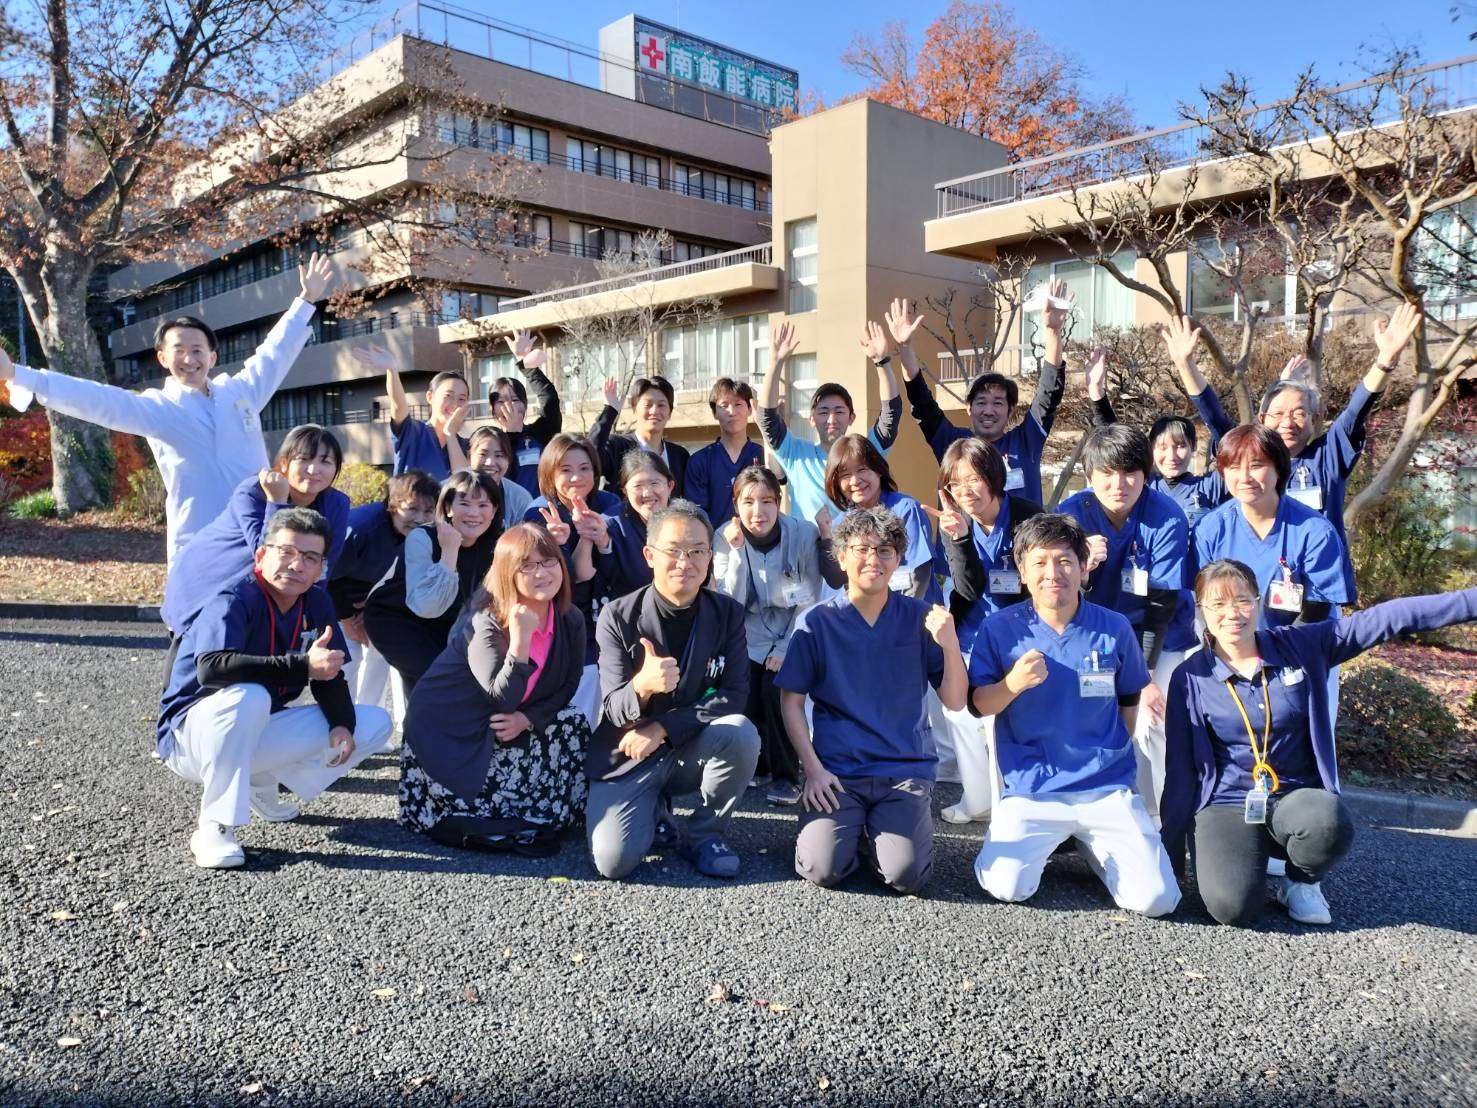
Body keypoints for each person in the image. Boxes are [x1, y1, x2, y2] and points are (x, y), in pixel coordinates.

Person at [1164, 561, 1477, 927]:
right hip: (1227, 803)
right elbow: (1180, 770)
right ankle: (1246, 857)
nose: (1232, 613)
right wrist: (1170, 853)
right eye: (1217, 604)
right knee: (1231, 908)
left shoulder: (1300, 645)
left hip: (1295, 795)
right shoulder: (1190, 677)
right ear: (1201, 610)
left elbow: (1388, 618)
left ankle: (1301, 881)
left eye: (1243, 601)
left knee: (1327, 821)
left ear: (1259, 602)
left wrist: (1469, 602)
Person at [0, 253, 336, 564]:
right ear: (162, 358)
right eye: (179, 350)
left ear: (212, 357)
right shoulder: (157, 408)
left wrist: (306, 300)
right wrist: (19, 375)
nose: (189, 359)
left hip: (260, 536)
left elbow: (274, 353)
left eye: (197, 350)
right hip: (199, 543)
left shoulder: (241, 392)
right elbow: (98, 400)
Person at [968, 513, 1179, 918]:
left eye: (1065, 561)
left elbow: (1128, 702)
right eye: (1040, 562)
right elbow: (979, 704)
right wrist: (1012, 684)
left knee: (1156, 900)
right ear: (1022, 572)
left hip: (1105, 788)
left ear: (1084, 568)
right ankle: (1054, 838)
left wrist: (1107, 757)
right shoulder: (1000, 629)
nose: (1053, 573)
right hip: (1033, 788)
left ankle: (1091, 844)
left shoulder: (1114, 627)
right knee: (1006, 887)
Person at [157, 508, 392, 868]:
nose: (297, 565)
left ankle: (259, 780)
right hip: (191, 737)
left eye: (310, 558)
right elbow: (211, 668)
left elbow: (329, 672)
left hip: (253, 725)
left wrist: (341, 724)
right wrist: (301, 665)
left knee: (373, 723)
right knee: (249, 695)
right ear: (261, 555)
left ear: (320, 568)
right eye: (287, 552)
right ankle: (214, 826)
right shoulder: (233, 598)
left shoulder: (316, 600)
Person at [1171, 303, 1422, 597]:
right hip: (1248, 597)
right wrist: (1185, 366)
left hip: (1315, 592)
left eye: (1299, 413)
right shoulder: (1246, 457)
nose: (1287, 422)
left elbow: (1355, 411)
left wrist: (1385, 361)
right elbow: (1213, 415)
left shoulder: (1327, 456)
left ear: (1315, 419)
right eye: (1277, 414)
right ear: (1262, 419)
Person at [777, 506, 967, 895]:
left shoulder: (920, 618)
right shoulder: (816, 622)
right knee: (822, 868)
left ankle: (878, 831)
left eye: (884, 551)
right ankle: (850, 831)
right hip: (838, 771)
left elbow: (954, 700)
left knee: (906, 876)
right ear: (841, 556)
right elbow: (791, 701)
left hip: (904, 770)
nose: (873, 560)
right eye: (861, 549)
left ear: (898, 559)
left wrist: (950, 646)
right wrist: (813, 770)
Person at [586, 501, 759, 881]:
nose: (686, 562)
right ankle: (654, 810)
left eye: (697, 551)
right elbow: (613, 707)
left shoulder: (727, 614)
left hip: (688, 745)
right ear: (650, 555)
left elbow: (734, 693)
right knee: (614, 862)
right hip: (629, 752)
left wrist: (664, 727)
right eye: (674, 550)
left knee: (741, 733)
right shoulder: (618, 616)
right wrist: (642, 686)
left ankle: (703, 834)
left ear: (710, 557)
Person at [398, 523, 592, 856]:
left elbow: (569, 684)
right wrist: (520, 640)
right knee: (502, 815)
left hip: (508, 722)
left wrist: (529, 719)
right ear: (507, 574)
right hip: (453, 729)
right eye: (526, 566)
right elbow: (502, 699)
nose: (541, 573)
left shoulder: (569, 618)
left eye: (549, 561)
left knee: (573, 721)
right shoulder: (485, 621)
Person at [1057, 422, 1193, 817]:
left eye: (1130, 472)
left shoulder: (1166, 517)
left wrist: (1143, 677)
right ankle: (1093, 809)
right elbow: (1056, 595)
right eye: (1107, 473)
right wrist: (1082, 567)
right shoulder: (1071, 515)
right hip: (1095, 635)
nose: (1119, 484)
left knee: (1154, 720)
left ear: (1146, 473)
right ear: (1089, 475)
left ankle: (1166, 817)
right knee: (1089, 715)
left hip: (1158, 635)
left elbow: (1162, 603)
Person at [928, 438, 1043, 824]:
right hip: (972, 633)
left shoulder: (1027, 516)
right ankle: (978, 801)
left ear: (994, 476)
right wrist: (960, 539)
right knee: (960, 715)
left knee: (1013, 716)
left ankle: (1022, 798)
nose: (965, 491)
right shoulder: (954, 521)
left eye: (974, 479)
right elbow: (968, 589)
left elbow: (1039, 585)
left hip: (1022, 634)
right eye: (956, 483)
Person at [161, 424, 349, 636]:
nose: (314, 470)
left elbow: (322, 566)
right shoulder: (254, 491)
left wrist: (307, 612)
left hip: (259, 600)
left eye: (325, 462)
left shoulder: (336, 504)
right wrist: (276, 501)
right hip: (206, 589)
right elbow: (265, 557)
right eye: (304, 459)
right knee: (209, 653)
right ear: (284, 463)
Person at [712, 466, 828, 807]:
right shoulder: (723, 536)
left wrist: (786, 646)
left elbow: (808, 599)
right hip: (746, 631)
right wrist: (735, 552)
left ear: (779, 502)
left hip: (793, 627)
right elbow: (730, 605)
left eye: (767, 501)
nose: (757, 511)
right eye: (748, 502)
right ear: (736, 504)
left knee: (777, 692)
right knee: (746, 696)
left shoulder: (803, 534)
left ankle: (787, 776)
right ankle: (758, 766)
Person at [887, 289, 1069, 506]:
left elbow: (1049, 393)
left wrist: (1053, 331)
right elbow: (921, 402)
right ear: (969, 408)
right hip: (962, 530)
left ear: (1010, 410)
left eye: (998, 403)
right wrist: (905, 348)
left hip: (1024, 530)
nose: (988, 411)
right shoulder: (953, 443)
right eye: (981, 403)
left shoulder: (1025, 441)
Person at [1193, 425, 1349, 631]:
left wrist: (1272, 647)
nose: (1245, 477)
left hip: (1301, 641)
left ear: (1279, 468)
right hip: (1231, 639)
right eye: (1234, 467)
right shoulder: (1209, 529)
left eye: (1256, 465)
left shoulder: (1315, 531)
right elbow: (1206, 601)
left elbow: (1317, 608)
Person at [363, 469, 502, 693]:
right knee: (435, 680)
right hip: (397, 618)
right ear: (447, 507)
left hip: (446, 623)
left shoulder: (497, 544)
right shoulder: (422, 537)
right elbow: (427, 606)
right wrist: (449, 552)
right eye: (464, 503)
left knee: (457, 681)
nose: (474, 513)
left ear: (494, 510)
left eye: (483, 505)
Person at [755, 319, 902, 524]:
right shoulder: (796, 454)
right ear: (812, 419)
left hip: (857, 543)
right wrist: (775, 362)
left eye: (839, 411)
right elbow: (767, 419)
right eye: (823, 412)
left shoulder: (866, 453)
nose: (831, 419)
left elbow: (891, 415)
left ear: (851, 417)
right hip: (806, 544)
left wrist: (881, 361)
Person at [523, 433, 622, 727]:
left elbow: (617, 568)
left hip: (607, 614)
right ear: (550, 474)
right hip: (563, 622)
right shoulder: (540, 512)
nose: (576, 477)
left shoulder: (610, 503)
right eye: (565, 470)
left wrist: (599, 538)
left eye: (584, 468)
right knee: (573, 705)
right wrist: (560, 545)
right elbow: (570, 578)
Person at [329, 470, 439, 730]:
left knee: (381, 650)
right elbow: (327, 577)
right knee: (348, 657)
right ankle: (340, 726)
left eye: (428, 511)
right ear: (392, 505)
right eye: (411, 509)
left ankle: (366, 722)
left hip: (370, 601)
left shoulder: (422, 534)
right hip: (333, 599)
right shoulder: (361, 529)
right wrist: (348, 619)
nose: (420, 518)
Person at [823, 434, 941, 604]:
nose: (855, 480)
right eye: (845, 474)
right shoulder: (840, 523)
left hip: (914, 611)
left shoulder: (906, 509)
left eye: (862, 470)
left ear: (878, 470)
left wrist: (896, 617)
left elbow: (918, 574)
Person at [353, 344, 470, 479]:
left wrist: (451, 435)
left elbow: (464, 484)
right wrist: (392, 370)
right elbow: (398, 405)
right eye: (448, 396)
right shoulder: (413, 432)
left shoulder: (466, 446)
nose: (455, 404)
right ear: (430, 397)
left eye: (462, 399)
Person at [595, 450, 679, 600]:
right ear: (625, 491)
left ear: (670, 486)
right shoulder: (611, 525)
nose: (647, 493)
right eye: (638, 486)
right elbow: (608, 578)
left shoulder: (690, 519)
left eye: (654, 483)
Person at [489, 330, 564, 497]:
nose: (509, 405)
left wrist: (527, 366)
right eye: (501, 401)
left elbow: (550, 399)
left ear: (525, 404)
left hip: (543, 507)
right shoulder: (488, 441)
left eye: (515, 399)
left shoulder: (540, 432)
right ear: (492, 408)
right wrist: (511, 434)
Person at [590, 375, 691, 497]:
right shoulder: (616, 447)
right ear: (634, 410)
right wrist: (609, 411)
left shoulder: (680, 456)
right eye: (648, 405)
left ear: (670, 413)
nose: (654, 411)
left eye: (661, 405)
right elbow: (589, 456)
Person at [684, 377, 763, 527]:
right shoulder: (700, 461)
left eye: (738, 404)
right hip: (714, 540)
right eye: (724, 405)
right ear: (714, 412)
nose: (732, 412)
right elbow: (696, 515)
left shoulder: (763, 456)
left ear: (750, 409)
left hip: (756, 539)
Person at [467, 424, 533, 528]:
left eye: (499, 455)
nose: (490, 463)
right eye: (483, 454)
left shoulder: (520, 498)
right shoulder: (451, 490)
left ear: (509, 460)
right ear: (469, 456)